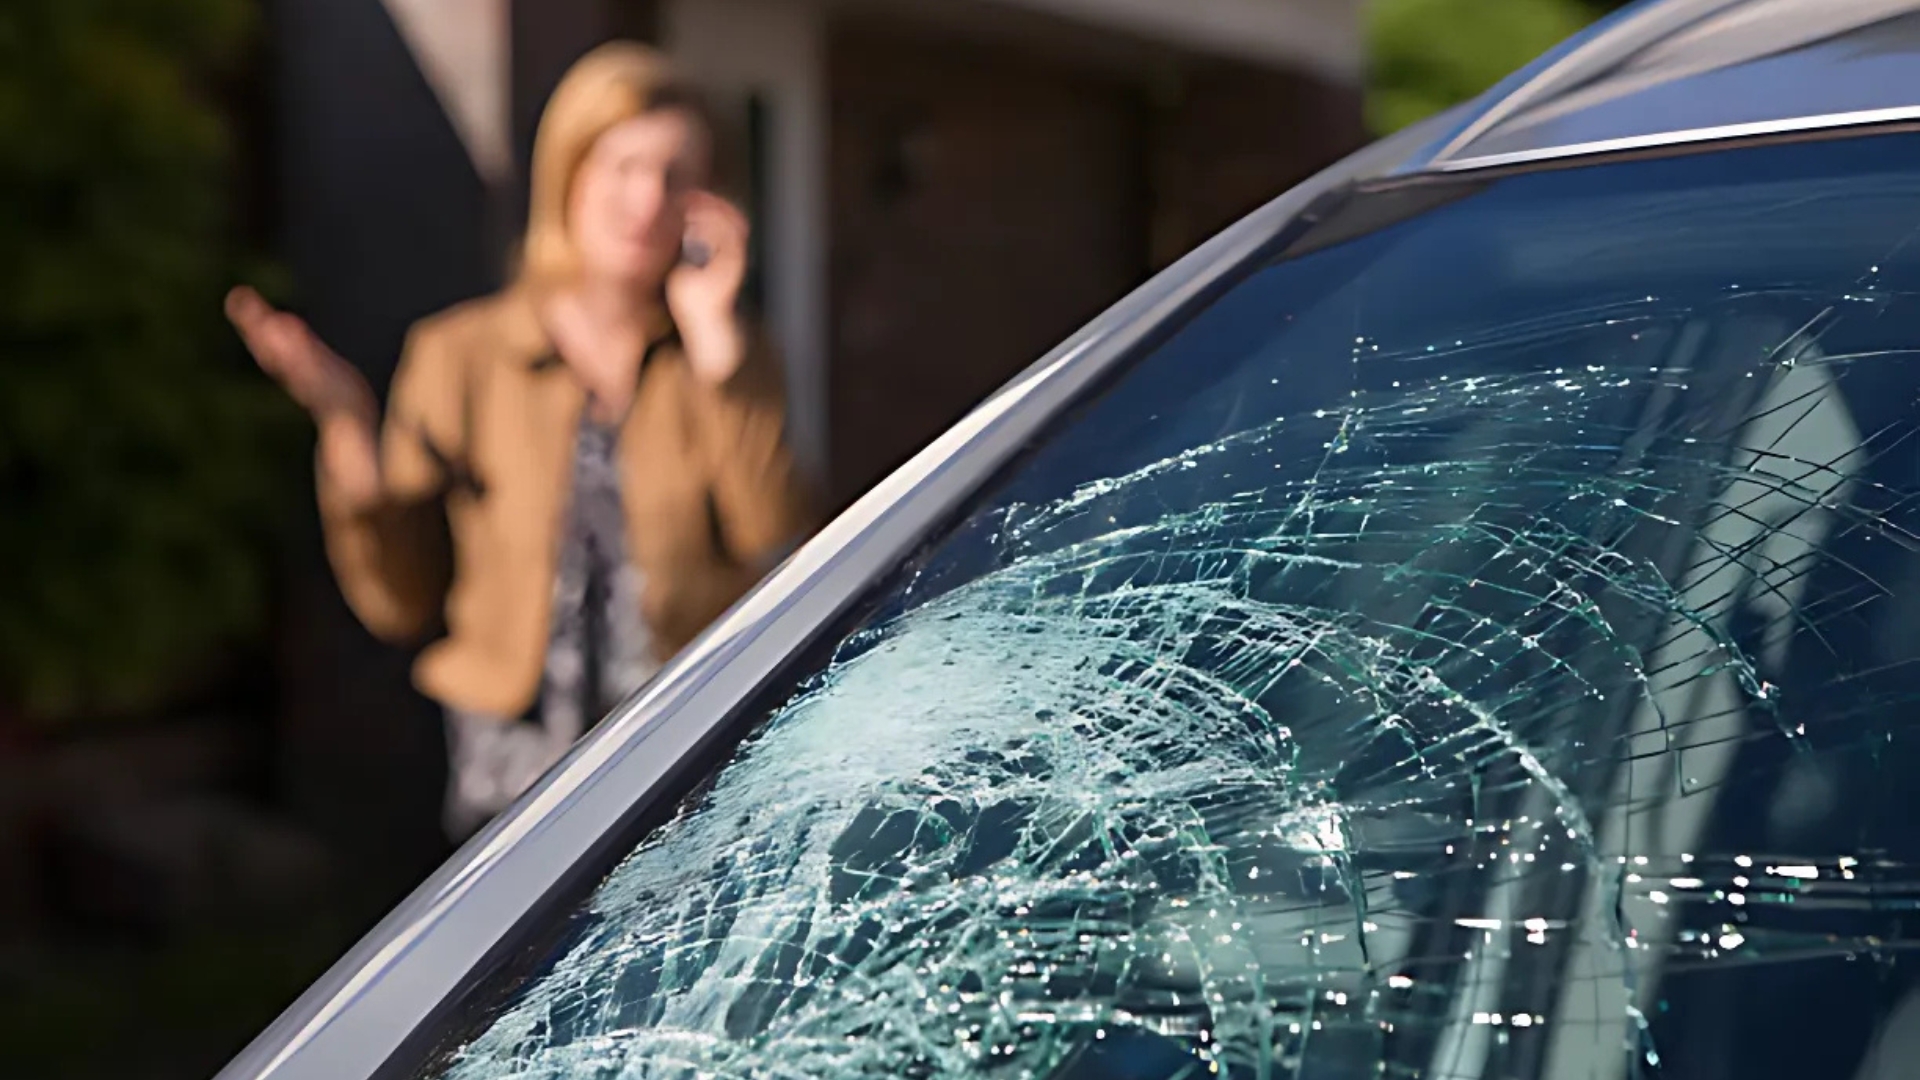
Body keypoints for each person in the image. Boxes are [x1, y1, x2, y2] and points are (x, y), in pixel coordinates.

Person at [225, 42, 815, 841]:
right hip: (507, 786)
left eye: (676, 174)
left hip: (686, 764)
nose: (647, 199)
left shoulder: (725, 358)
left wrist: (721, 356)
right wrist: (345, 428)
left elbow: (779, 546)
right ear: (568, 174)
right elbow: (397, 599)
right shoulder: (460, 355)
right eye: (623, 165)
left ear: (705, 202)